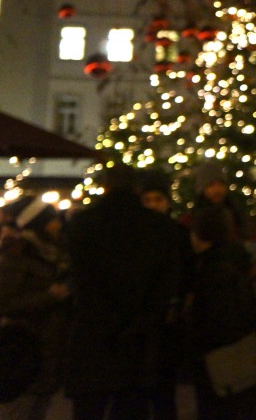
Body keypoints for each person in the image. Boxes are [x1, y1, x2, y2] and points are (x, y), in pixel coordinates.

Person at [64, 164, 184, 420]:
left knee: (89, 409)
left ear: (105, 186)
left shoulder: (83, 224)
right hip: (137, 339)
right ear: (136, 188)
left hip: (93, 334)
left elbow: (78, 278)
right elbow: (165, 284)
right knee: (132, 408)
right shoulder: (159, 227)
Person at [187, 206, 256, 420]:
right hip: (243, 357)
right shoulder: (235, 258)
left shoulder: (211, 269)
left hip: (218, 364)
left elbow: (214, 319)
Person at [0, 196, 69, 420]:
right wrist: (49, 296)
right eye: (51, 220)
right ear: (38, 224)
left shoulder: (53, 253)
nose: (58, 224)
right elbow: (5, 303)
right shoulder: (16, 255)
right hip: (21, 354)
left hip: (47, 352)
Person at [139, 170, 196, 420]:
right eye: (148, 200)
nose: (153, 205)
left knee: (164, 388)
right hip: (141, 321)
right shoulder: (134, 235)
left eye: (157, 200)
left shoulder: (179, 234)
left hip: (169, 321)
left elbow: (186, 273)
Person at [180, 162, 256, 242]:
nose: (217, 190)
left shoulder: (239, 219)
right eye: (211, 185)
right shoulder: (189, 221)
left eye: (221, 184)